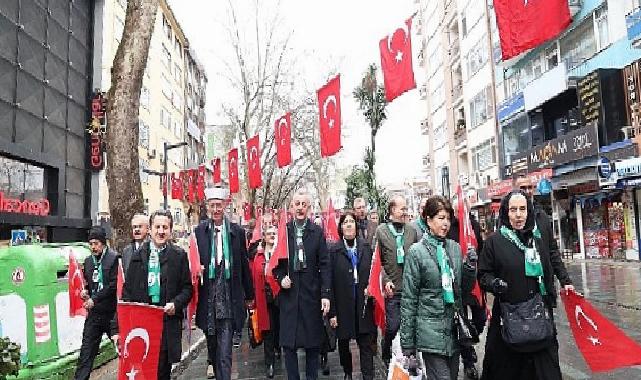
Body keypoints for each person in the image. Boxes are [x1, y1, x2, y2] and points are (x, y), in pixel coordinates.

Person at [478, 191, 574, 380]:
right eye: (513, 210)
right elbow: (483, 275)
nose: (518, 215)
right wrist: (494, 284)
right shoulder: (494, 243)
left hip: (539, 317)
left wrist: (565, 282)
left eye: (522, 209)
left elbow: (553, 257)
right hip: (509, 318)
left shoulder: (537, 239)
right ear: (506, 213)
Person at [400, 196, 477, 380]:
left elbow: (462, 291)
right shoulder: (416, 253)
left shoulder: (455, 248)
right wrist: (407, 342)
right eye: (441, 218)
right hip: (429, 333)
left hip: (454, 331)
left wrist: (470, 268)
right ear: (428, 220)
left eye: (448, 218)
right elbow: (409, 300)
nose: (446, 223)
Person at [116, 210, 193, 380]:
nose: (161, 231)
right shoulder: (138, 256)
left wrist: (176, 304)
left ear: (170, 230)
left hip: (167, 325)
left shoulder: (178, 256)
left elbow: (188, 289)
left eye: (165, 227)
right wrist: (121, 329)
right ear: (150, 230)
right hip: (143, 328)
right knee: (145, 371)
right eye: (157, 227)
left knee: (162, 371)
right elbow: (127, 294)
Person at [195, 187, 255, 380]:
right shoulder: (199, 232)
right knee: (213, 348)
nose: (216, 209)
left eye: (219, 205)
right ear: (207, 207)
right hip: (208, 299)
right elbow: (192, 263)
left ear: (225, 206)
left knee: (225, 352)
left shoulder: (236, 232)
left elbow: (245, 265)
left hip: (229, 298)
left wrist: (249, 295)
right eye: (212, 205)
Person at [273, 188, 331, 380]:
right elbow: (275, 264)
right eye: (297, 204)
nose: (300, 208)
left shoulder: (317, 232)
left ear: (309, 208)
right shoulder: (284, 232)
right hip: (289, 297)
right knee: (289, 346)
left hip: (311, 295)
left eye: (303, 205)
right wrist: (281, 279)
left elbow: (325, 265)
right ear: (291, 208)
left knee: (312, 345)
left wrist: (325, 294)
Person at [328, 211, 376, 380]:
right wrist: (332, 312)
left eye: (351, 221)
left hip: (363, 304)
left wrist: (372, 288)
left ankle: (368, 375)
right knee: (344, 341)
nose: (348, 224)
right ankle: (347, 371)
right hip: (343, 305)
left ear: (356, 226)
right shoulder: (334, 251)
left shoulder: (365, 247)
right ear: (341, 227)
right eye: (345, 222)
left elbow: (373, 273)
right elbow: (330, 283)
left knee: (366, 341)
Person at [376, 195, 418, 367]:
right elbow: (376, 261)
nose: (405, 212)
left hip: (410, 288)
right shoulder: (381, 231)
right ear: (392, 210)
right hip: (392, 290)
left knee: (411, 327)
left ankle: (411, 361)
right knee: (392, 327)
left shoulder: (411, 231)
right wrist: (385, 280)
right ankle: (386, 348)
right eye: (402, 209)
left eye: (406, 209)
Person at [447, 197, 485, 380]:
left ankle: (472, 338)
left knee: (480, 318)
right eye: (459, 210)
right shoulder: (450, 229)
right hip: (458, 284)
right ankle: (468, 360)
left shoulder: (475, 226)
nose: (462, 214)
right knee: (461, 323)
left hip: (475, 283)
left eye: (465, 210)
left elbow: (482, 250)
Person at [74, 226, 118, 380]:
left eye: (96, 243)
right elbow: (87, 282)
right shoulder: (88, 261)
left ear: (103, 243)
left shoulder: (113, 259)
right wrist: (85, 291)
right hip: (94, 315)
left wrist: (95, 299)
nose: (93, 247)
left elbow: (113, 286)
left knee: (122, 350)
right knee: (86, 354)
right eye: (91, 243)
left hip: (112, 314)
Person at [250, 223, 281, 378]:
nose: (271, 236)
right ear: (264, 236)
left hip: (280, 299)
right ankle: (269, 364)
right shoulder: (259, 255)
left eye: (274, 233)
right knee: (268, 331)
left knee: (279, 329)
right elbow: (254, 278)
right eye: (269, 233)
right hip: (264, 299)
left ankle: (279, 349)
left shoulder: (281, 253)